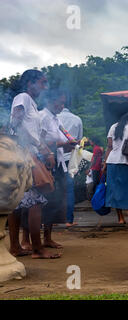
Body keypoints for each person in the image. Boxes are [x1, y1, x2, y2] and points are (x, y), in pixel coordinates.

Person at [7, 69, 60, 259]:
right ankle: (37, 249)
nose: (44, 87)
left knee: (17, 203)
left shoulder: (30, 102)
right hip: (26, 154)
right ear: (30, 83)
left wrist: (43, 146)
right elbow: (16, 121)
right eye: (42, 83)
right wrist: (41, 147)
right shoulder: (23, 97)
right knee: (35, 201)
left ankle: (15, 247)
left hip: (23, 152)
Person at [39, 89, 77, 246]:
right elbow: (38, 142)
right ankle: (31, 239)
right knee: (41, 200)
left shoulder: (56, 119)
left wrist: (72, 144)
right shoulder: (43, 117)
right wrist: (64, 144)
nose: (61, 106)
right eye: (59, 103)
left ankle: (47, 238)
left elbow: (64, 140)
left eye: (63, 103)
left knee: (54, 200)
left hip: (58, 162)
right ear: (49, 101)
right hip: (45, 162)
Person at [57, 104, 83, 227]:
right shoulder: (77, 119)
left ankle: (53, 220)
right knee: (69, 189)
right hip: (70, 158)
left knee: (54, 188)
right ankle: (69, 220)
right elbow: (78, 143)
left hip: (56, 157)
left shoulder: (54, 117)